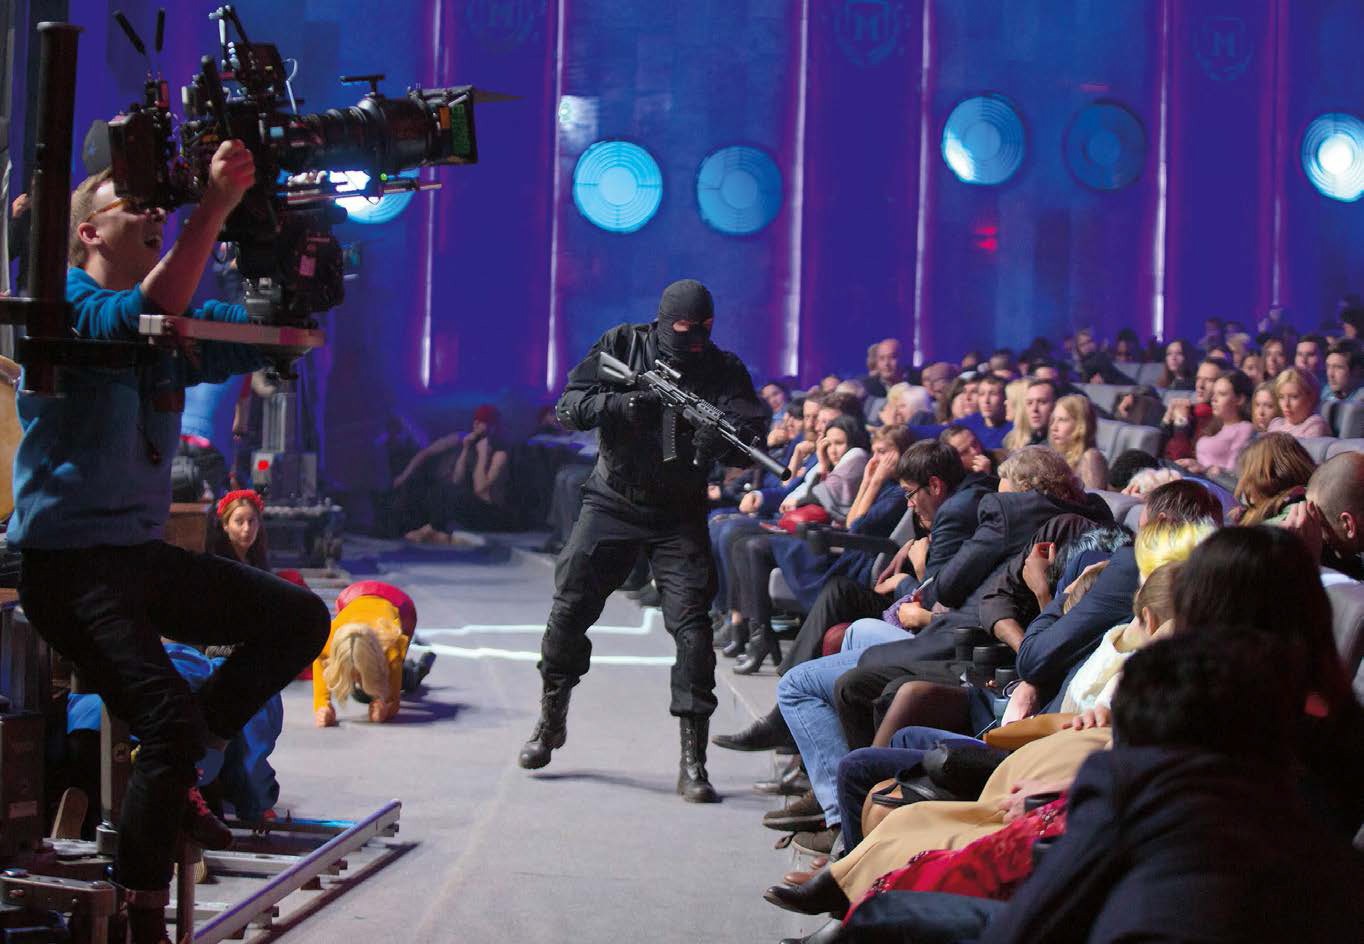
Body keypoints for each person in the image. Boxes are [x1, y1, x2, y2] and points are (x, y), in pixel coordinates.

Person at [10, 144, 330, 944]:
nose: (156, 212)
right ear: (89, 231)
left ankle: (187, 768)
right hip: (68, 568)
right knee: (167, 722)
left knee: (298, 619)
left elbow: (269, 335)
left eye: (162, 205)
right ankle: (142, 912)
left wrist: (291, 273)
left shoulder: (170, 321)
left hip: (136, 559)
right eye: (135, 204)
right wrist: (212, 207)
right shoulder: (65, 304)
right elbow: (137, 313)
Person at [516, 279, 768, 803]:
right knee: (569, 611)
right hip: (613, 500)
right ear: (663, 321)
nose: (693, 340)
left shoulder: (723, 369)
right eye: (683, 329)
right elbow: (569, 405)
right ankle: (550, 718)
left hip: (679, 512)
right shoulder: (622, 344)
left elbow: (750, 438)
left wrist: (720, 441)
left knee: (694, 633)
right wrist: (621, 406)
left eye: (703, 330)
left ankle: (693, 760)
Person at [1177, 370, 1254, 477]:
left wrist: (1203, 469)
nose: (1213, 399)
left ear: (1239, 399)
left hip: (1215, 485)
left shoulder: (1245, 428)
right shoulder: (1214, 427)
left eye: (1222, 394)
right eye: (1213, 394)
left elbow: (1233, 474)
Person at [1047, 394, 1107, 489]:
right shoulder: (1056, 457)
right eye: (1053, 420)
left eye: (1062, 420)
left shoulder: (1091, 458)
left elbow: (1093, 497)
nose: (1053, 427)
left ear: (1081, 424)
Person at [1267, 367, 1330, 439]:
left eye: (1294, 397)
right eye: (1281, 397)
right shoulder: (1275, 424)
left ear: (1311, 398)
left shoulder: (1316, 425)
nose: (1286, 404)